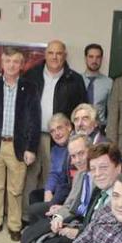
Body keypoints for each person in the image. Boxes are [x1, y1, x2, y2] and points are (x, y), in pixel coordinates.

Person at [0, 47, 41, 241]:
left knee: (15, 188)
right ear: (2, 64)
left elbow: (35, 121)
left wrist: (31, 148)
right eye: (8, 61)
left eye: (15, 62)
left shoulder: (30, 88)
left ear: (21, 65)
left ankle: (14, 225)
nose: (11, 65)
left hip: (18, 147)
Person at [22, 40, 87, 214]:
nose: (54, 57)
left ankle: (50, 215)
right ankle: (27, 217)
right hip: (34, 135)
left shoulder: (74, 79)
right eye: (51, 53)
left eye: (58, 53)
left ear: (64, 55)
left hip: (60, 138)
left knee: (54, 176)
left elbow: (81, 108)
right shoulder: (31, 75)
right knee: (29, 177)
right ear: (45, 54)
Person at [28, 113, 73, 208]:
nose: (57, 133)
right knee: (35, 196)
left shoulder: (75, 145)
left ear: (69, 127)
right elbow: (54, 173)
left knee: (40, 209)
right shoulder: (55, 150)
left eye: (59, 128)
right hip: (59, 189)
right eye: (53, 131)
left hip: (70, 190)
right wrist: (48, 190)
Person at [82, 44, 113, 131]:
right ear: (85, 58)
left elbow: (112, 110)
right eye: (91, 57)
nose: (94, 60)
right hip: (79, 129)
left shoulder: (109, 82)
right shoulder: (76, 80)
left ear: (101, 59)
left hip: (100, 129)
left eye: (98, 57)